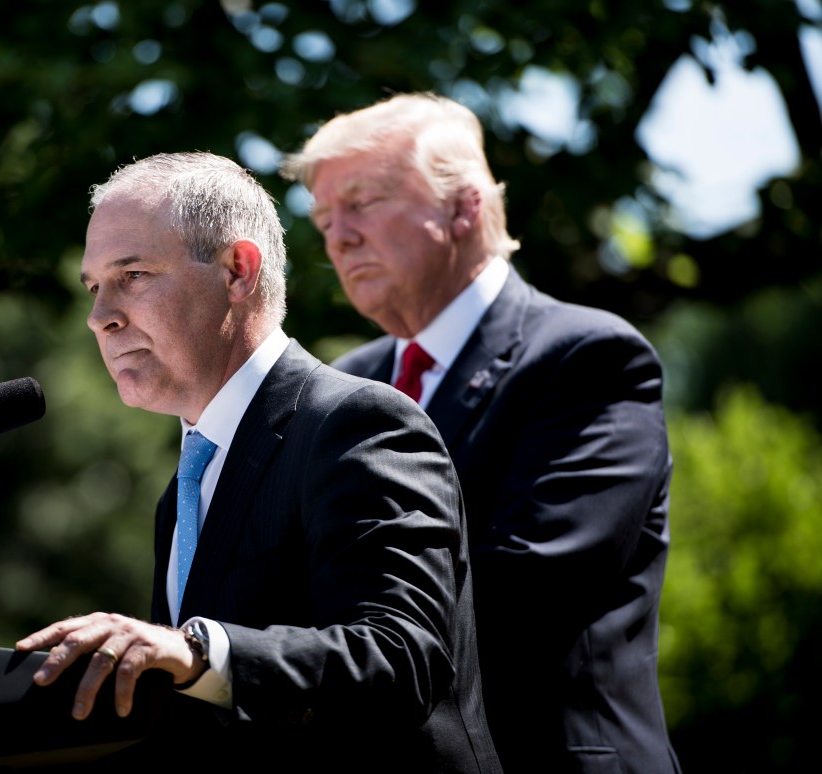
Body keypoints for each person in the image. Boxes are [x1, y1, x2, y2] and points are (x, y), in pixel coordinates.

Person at [16, 151, 502, 770]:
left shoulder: (357, 424)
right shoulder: (186, 486)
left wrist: (198, 651)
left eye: (132, 274)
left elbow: (400, 660)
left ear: (238, 271)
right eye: (94, 287)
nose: (99, 316)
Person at [279, 92, 682, 773]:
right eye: (323, 218)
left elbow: (526, 594)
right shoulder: (343, 385)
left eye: (362, 201)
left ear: (464, 206)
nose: (337, 236)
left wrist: (277, 656)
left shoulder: (587, 357)